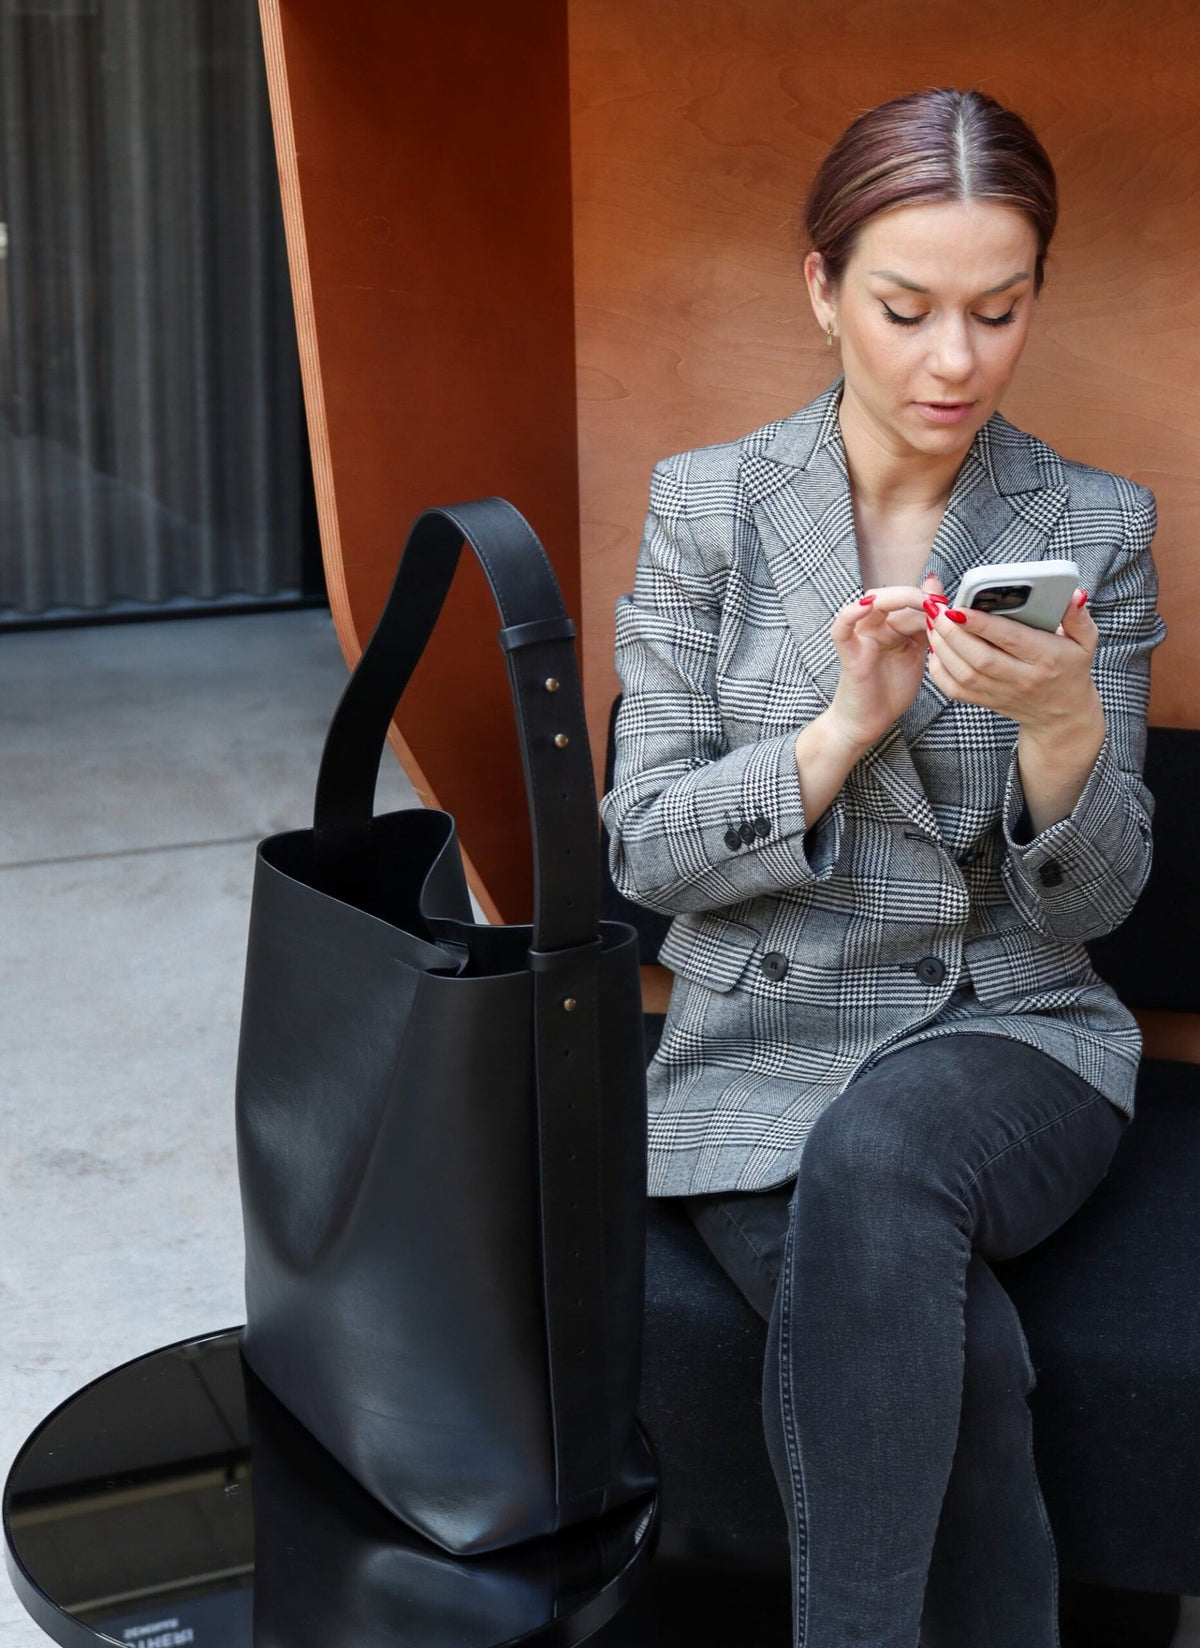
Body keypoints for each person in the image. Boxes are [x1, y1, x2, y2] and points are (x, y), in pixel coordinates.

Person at [599, 88, 1168, 1648]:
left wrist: (1061, 730)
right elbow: (643, 849)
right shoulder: (707, 508)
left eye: (999, 311)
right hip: (761, 1043)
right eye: (907, 309)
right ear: (823, 288)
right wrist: (837, 733)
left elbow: (1102, 908)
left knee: (889, 1147)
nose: (954, 362)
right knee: (952, 1348)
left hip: (1016, 1034)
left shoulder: (1093, 525)